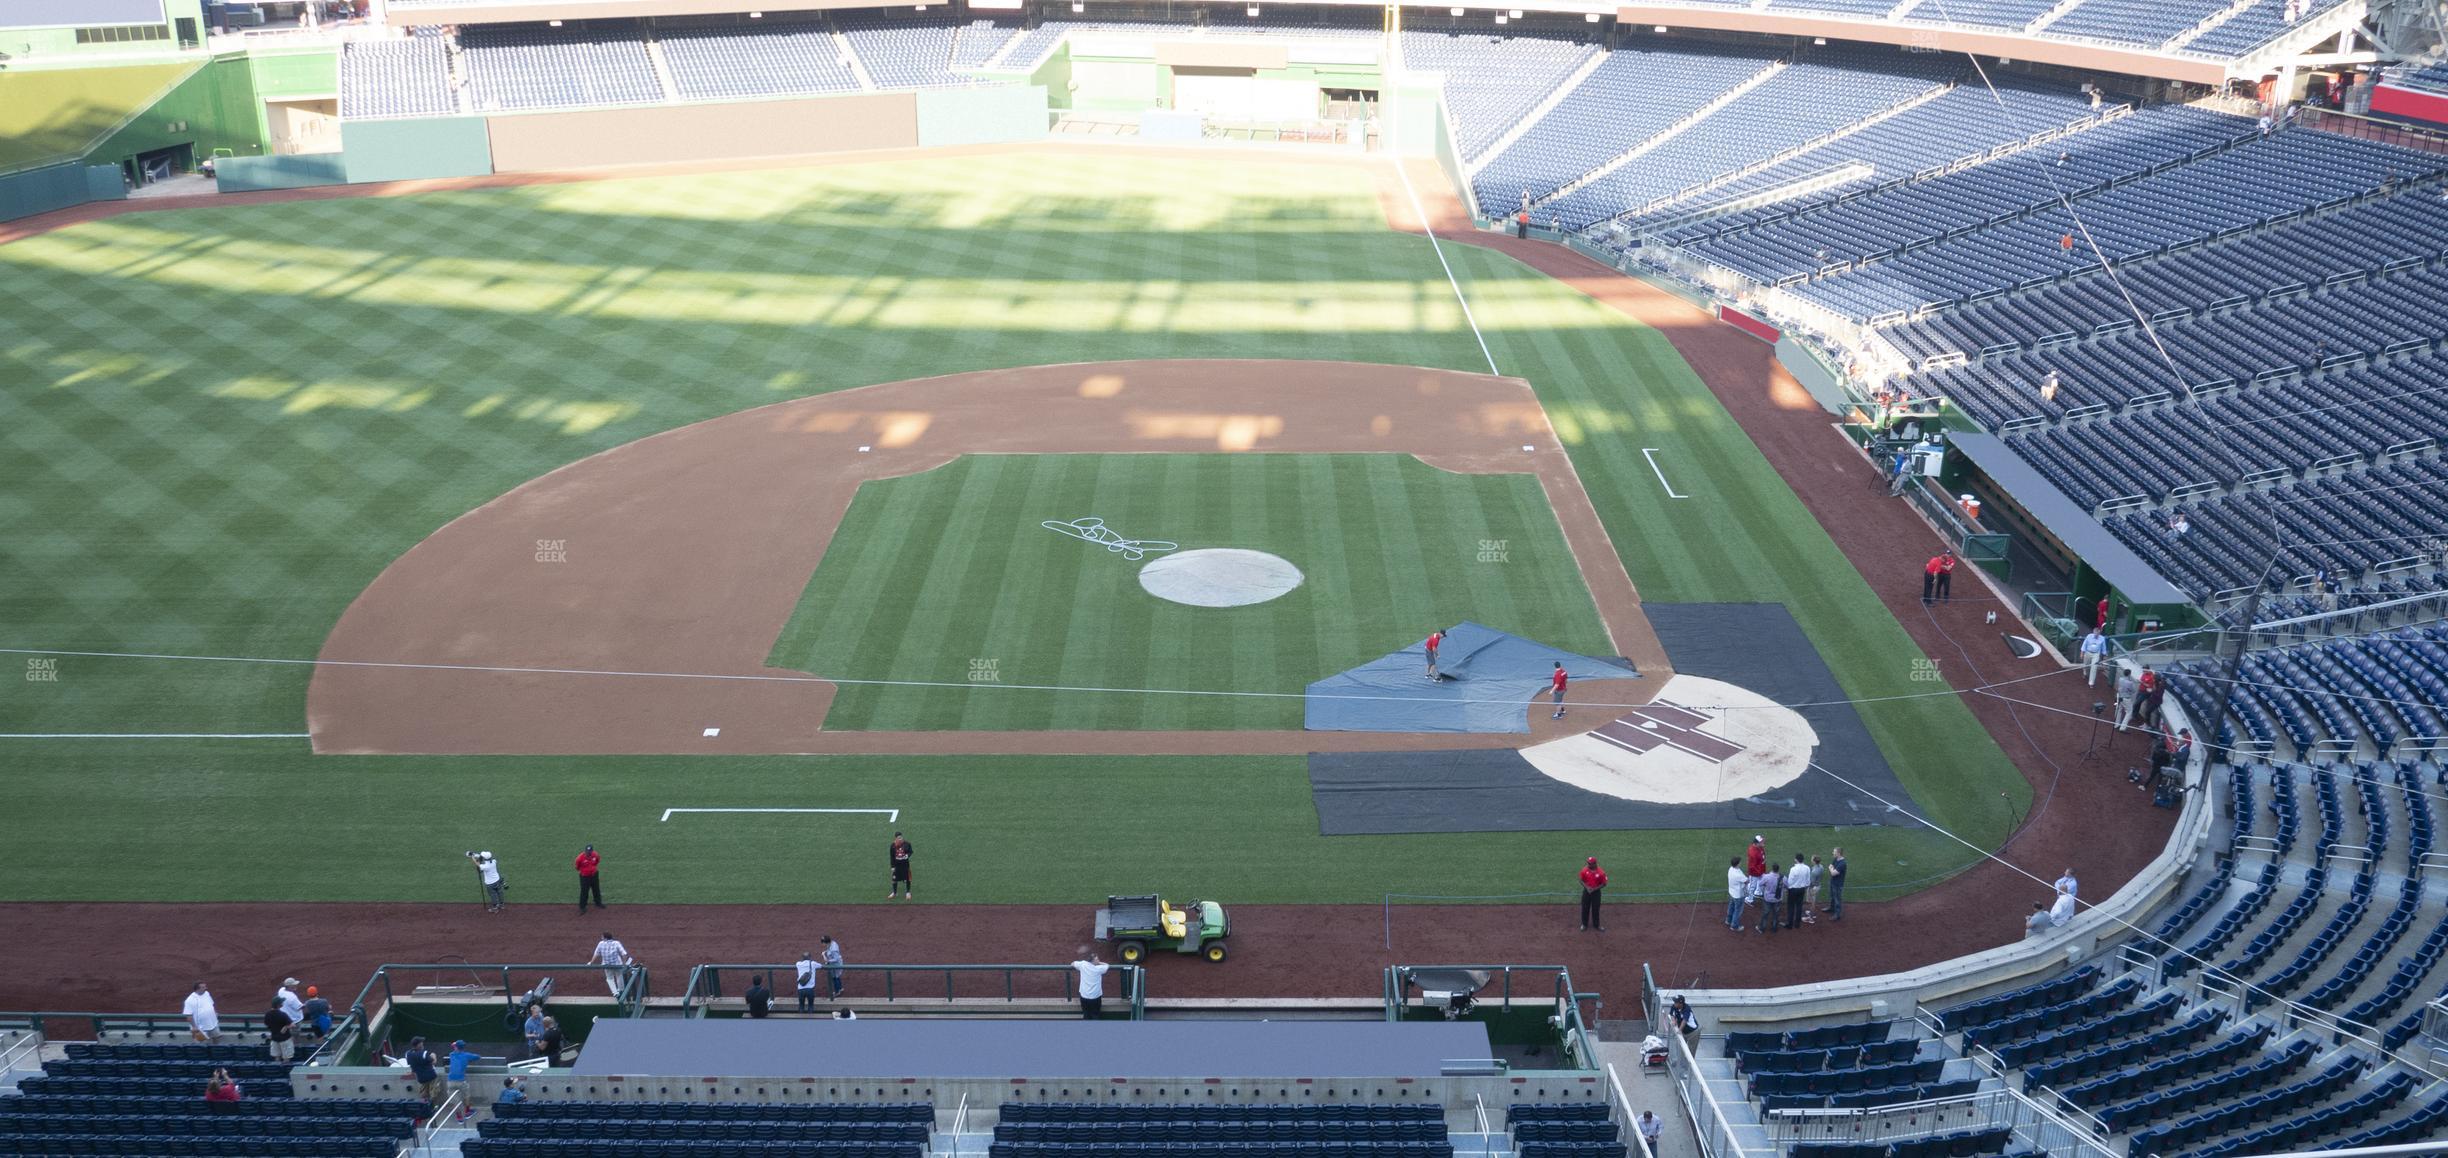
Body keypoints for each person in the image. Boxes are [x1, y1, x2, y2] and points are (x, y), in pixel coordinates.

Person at [402, 1036, 443, 1106]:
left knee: (424, 1095)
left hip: (421, 1078)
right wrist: (434, 1056)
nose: (422, 1043)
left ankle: (425, 1107)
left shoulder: (408, 1054)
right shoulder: (424, 1053)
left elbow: (412, 1065)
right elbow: (433, 1062)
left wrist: (412, 1072)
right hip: (431, 1076)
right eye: (421, 1042)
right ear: (418, 1045)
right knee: (434, 1093)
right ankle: (433, 1107)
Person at [590, 931, 632, 996]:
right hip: (617, 964)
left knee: (609, 979)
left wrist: (591, 962)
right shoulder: (616, 943)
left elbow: (596, 954)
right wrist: (624, 964)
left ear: (605, 938)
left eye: (602, 937)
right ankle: (621, 990)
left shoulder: (600, 943)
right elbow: (624, 954)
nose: (601, 938)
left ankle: (615, 993)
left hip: (606, 965)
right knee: (619, 976)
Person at [1071, 948, 1109, 1019]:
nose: (1098, 960)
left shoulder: (1082, 964)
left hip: (1084, 997)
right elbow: (1107, 965)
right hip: (1095, 998)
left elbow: (1072, 963)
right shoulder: (1099, 969)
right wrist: (1099, 963)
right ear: (1093, 961)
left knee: (1086, 1015)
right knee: (1095, 1015)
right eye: (1097, 959)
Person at [446, 1040, 480, 1118]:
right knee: (466, 1096)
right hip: (461, 1081)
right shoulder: (466, 1055)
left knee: (455, 1100)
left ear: (456, 1047)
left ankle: (459, 1117)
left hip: (450, 1081)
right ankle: (467, 1112)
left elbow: (455, 1049)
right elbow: (478, 1057)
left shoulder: (451, 1054)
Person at [1578, 856, 1607, 932]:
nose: (1588, 864)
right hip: (1586, 892)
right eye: (1588, 863)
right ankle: (1584, 924)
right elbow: (1581, 880)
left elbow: (1604, 884)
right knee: (1585, 908)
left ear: (1594, 864)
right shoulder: (1584, 870)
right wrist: (1587, 887)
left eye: (1590, 863)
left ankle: (1597, 925)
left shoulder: (1601, 872)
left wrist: (1594, 889)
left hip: (1596, 893)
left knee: (1595, 909)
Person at [263, 996, 295, 1062]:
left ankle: (278, 1071)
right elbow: (292, 1025)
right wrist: (286, 1027)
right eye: (281, 1002)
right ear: (278, 1005)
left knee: (277, 1058)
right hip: (285, 1039)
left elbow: (266, 1024)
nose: (282, 1003)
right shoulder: (283, 1014)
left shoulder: (267, 1014)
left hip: (274, 1039)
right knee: (286, 1058)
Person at [1784, 854, 1811, 931]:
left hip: (1793, 890)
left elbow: (1790, 881)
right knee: (1799, 906)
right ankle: (1797, 924)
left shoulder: (1793, 869)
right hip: (1802, 889)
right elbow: (1808, 880)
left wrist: (1788, 889)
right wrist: (1805, 886)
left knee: (1791, 906)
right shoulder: (1807, 868)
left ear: (1796, 860)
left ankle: (1789, 924)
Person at [575, 844, 604, 913]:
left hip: (594, 875)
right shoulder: (580, 858)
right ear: (585, 851)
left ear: (592, 851)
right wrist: (585, 871)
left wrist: (592, 869)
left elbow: (597, 861)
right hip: (585, 877)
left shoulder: (595, 855)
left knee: (596, 889)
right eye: (587, 851)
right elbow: (577, 867)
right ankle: (582, 907)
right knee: (584, 892)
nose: (588, 853)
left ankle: (598, 903)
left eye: (590, 851)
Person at [887, 833, 914, 900]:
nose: (900, 839)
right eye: (898, 838)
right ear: (895, 838)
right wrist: (892, 867)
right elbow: (892, 857)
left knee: (908, 878)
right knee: (894, 879)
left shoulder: (907, 844)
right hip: (897, 865)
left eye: (901, 837)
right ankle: (894, 892)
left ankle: (908, 892)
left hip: (905, 864)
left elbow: (911, 851)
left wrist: (907, 855)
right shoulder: (893, 845)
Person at [2113, 668, 2139, 733]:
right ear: (2129, 674)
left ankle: (2116, 725)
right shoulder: (2130, 683)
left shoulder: (2120, 679)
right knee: (2129, 712)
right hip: (2126, 698)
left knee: (2119, 710)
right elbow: (2134, 691)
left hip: (2120, 696)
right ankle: (2123, 727)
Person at [1725, 857, 1747, 931]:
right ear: (1738, 864)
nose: (1741, 863)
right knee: (1737, 911)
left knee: (1731, 907)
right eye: (1740, 862)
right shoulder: (1738, 874)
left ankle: (1728, 920)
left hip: (1732, 892)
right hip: (1738, 895)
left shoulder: (1731, 869)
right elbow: (1746, 881)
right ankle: (1734, 926)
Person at [1825, 847, 1847, 920]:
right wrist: (1832, 869)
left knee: (1837, 899)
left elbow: (1833, 873)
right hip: (1832, 882)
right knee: (1832, 896)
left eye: (1834, 852)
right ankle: (1831, 908)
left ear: (1838, 853)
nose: (1832, 853)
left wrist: (1831, 869)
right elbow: (1830, 866)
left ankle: (1837, 915)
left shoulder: (1842, 863)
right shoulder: (1835, 859)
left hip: (1838, 884)